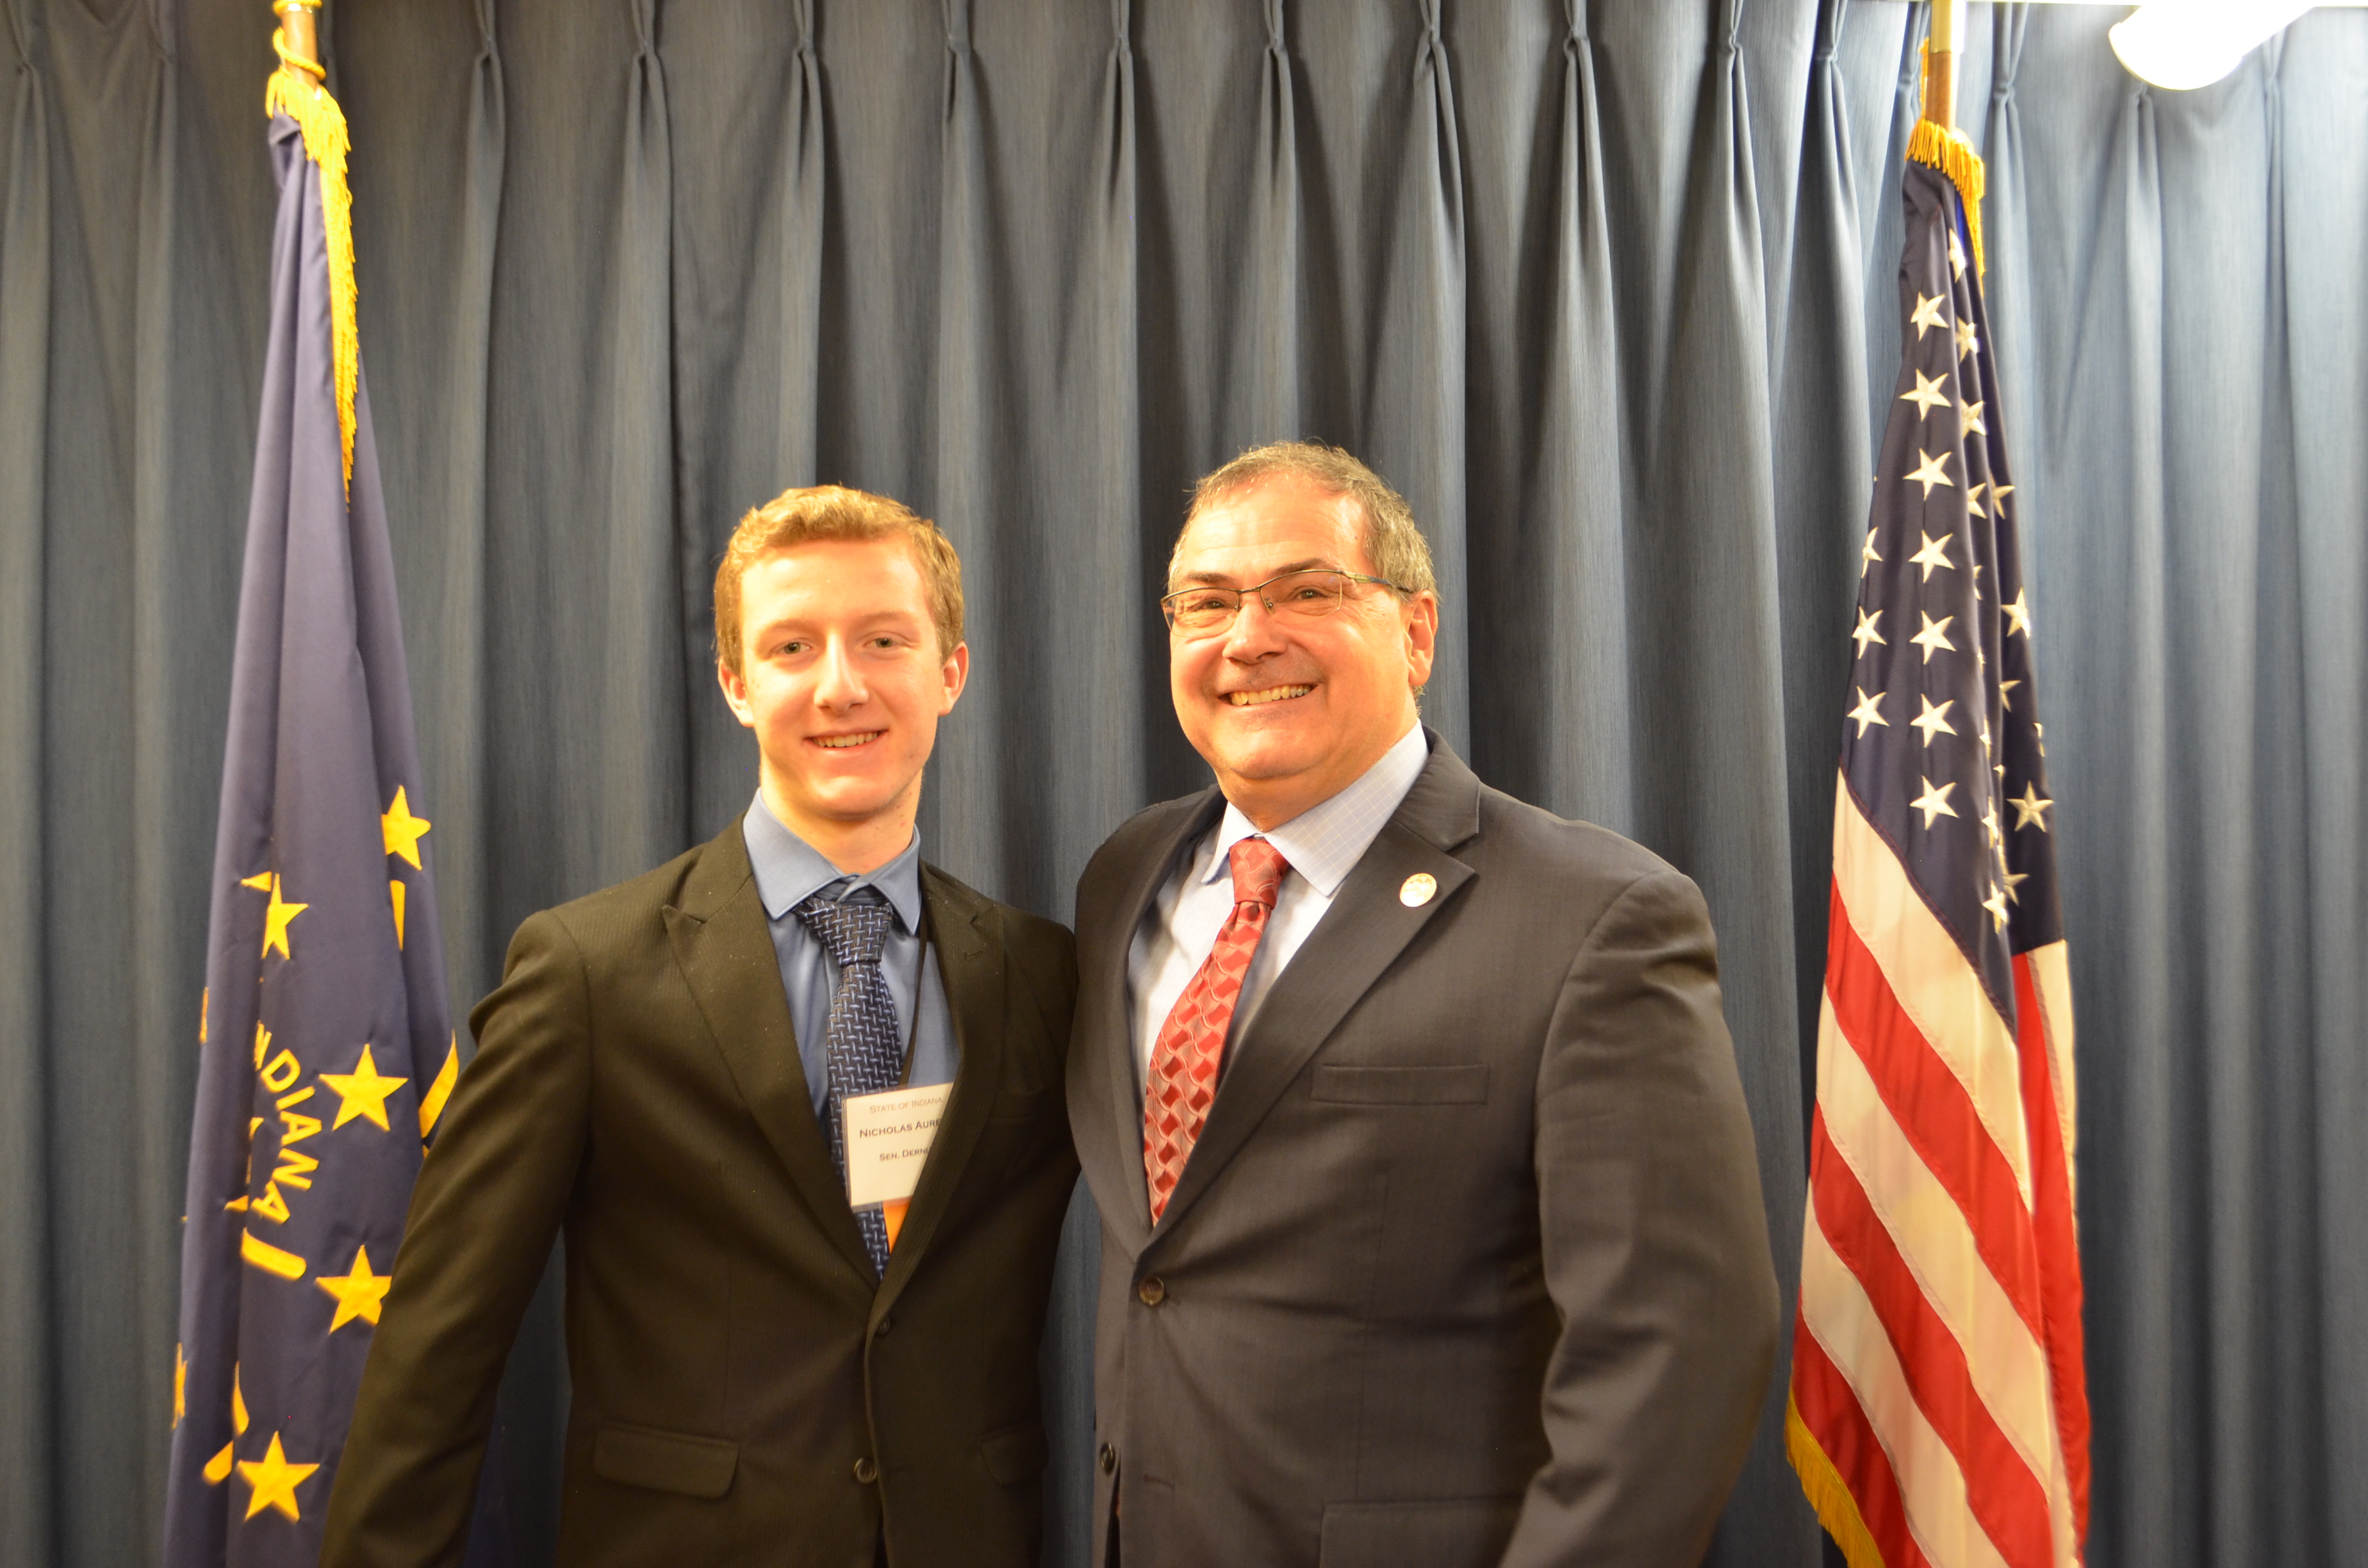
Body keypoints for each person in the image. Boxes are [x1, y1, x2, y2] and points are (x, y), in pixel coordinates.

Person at [323, 486, 1078, 1568]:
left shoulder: (1040, 975)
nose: (841, 684)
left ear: (950, 672)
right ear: (735, 684)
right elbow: (441, 1345)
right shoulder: (587, 974)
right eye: (791, 647)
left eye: (884, 639)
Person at [1067, 443, 1779, 1568]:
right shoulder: (1125, 877)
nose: (1248, 638)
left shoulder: (1597, 918)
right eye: (1206, 602)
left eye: (1307, 591)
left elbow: (1678, 1352)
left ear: (1416, 631)